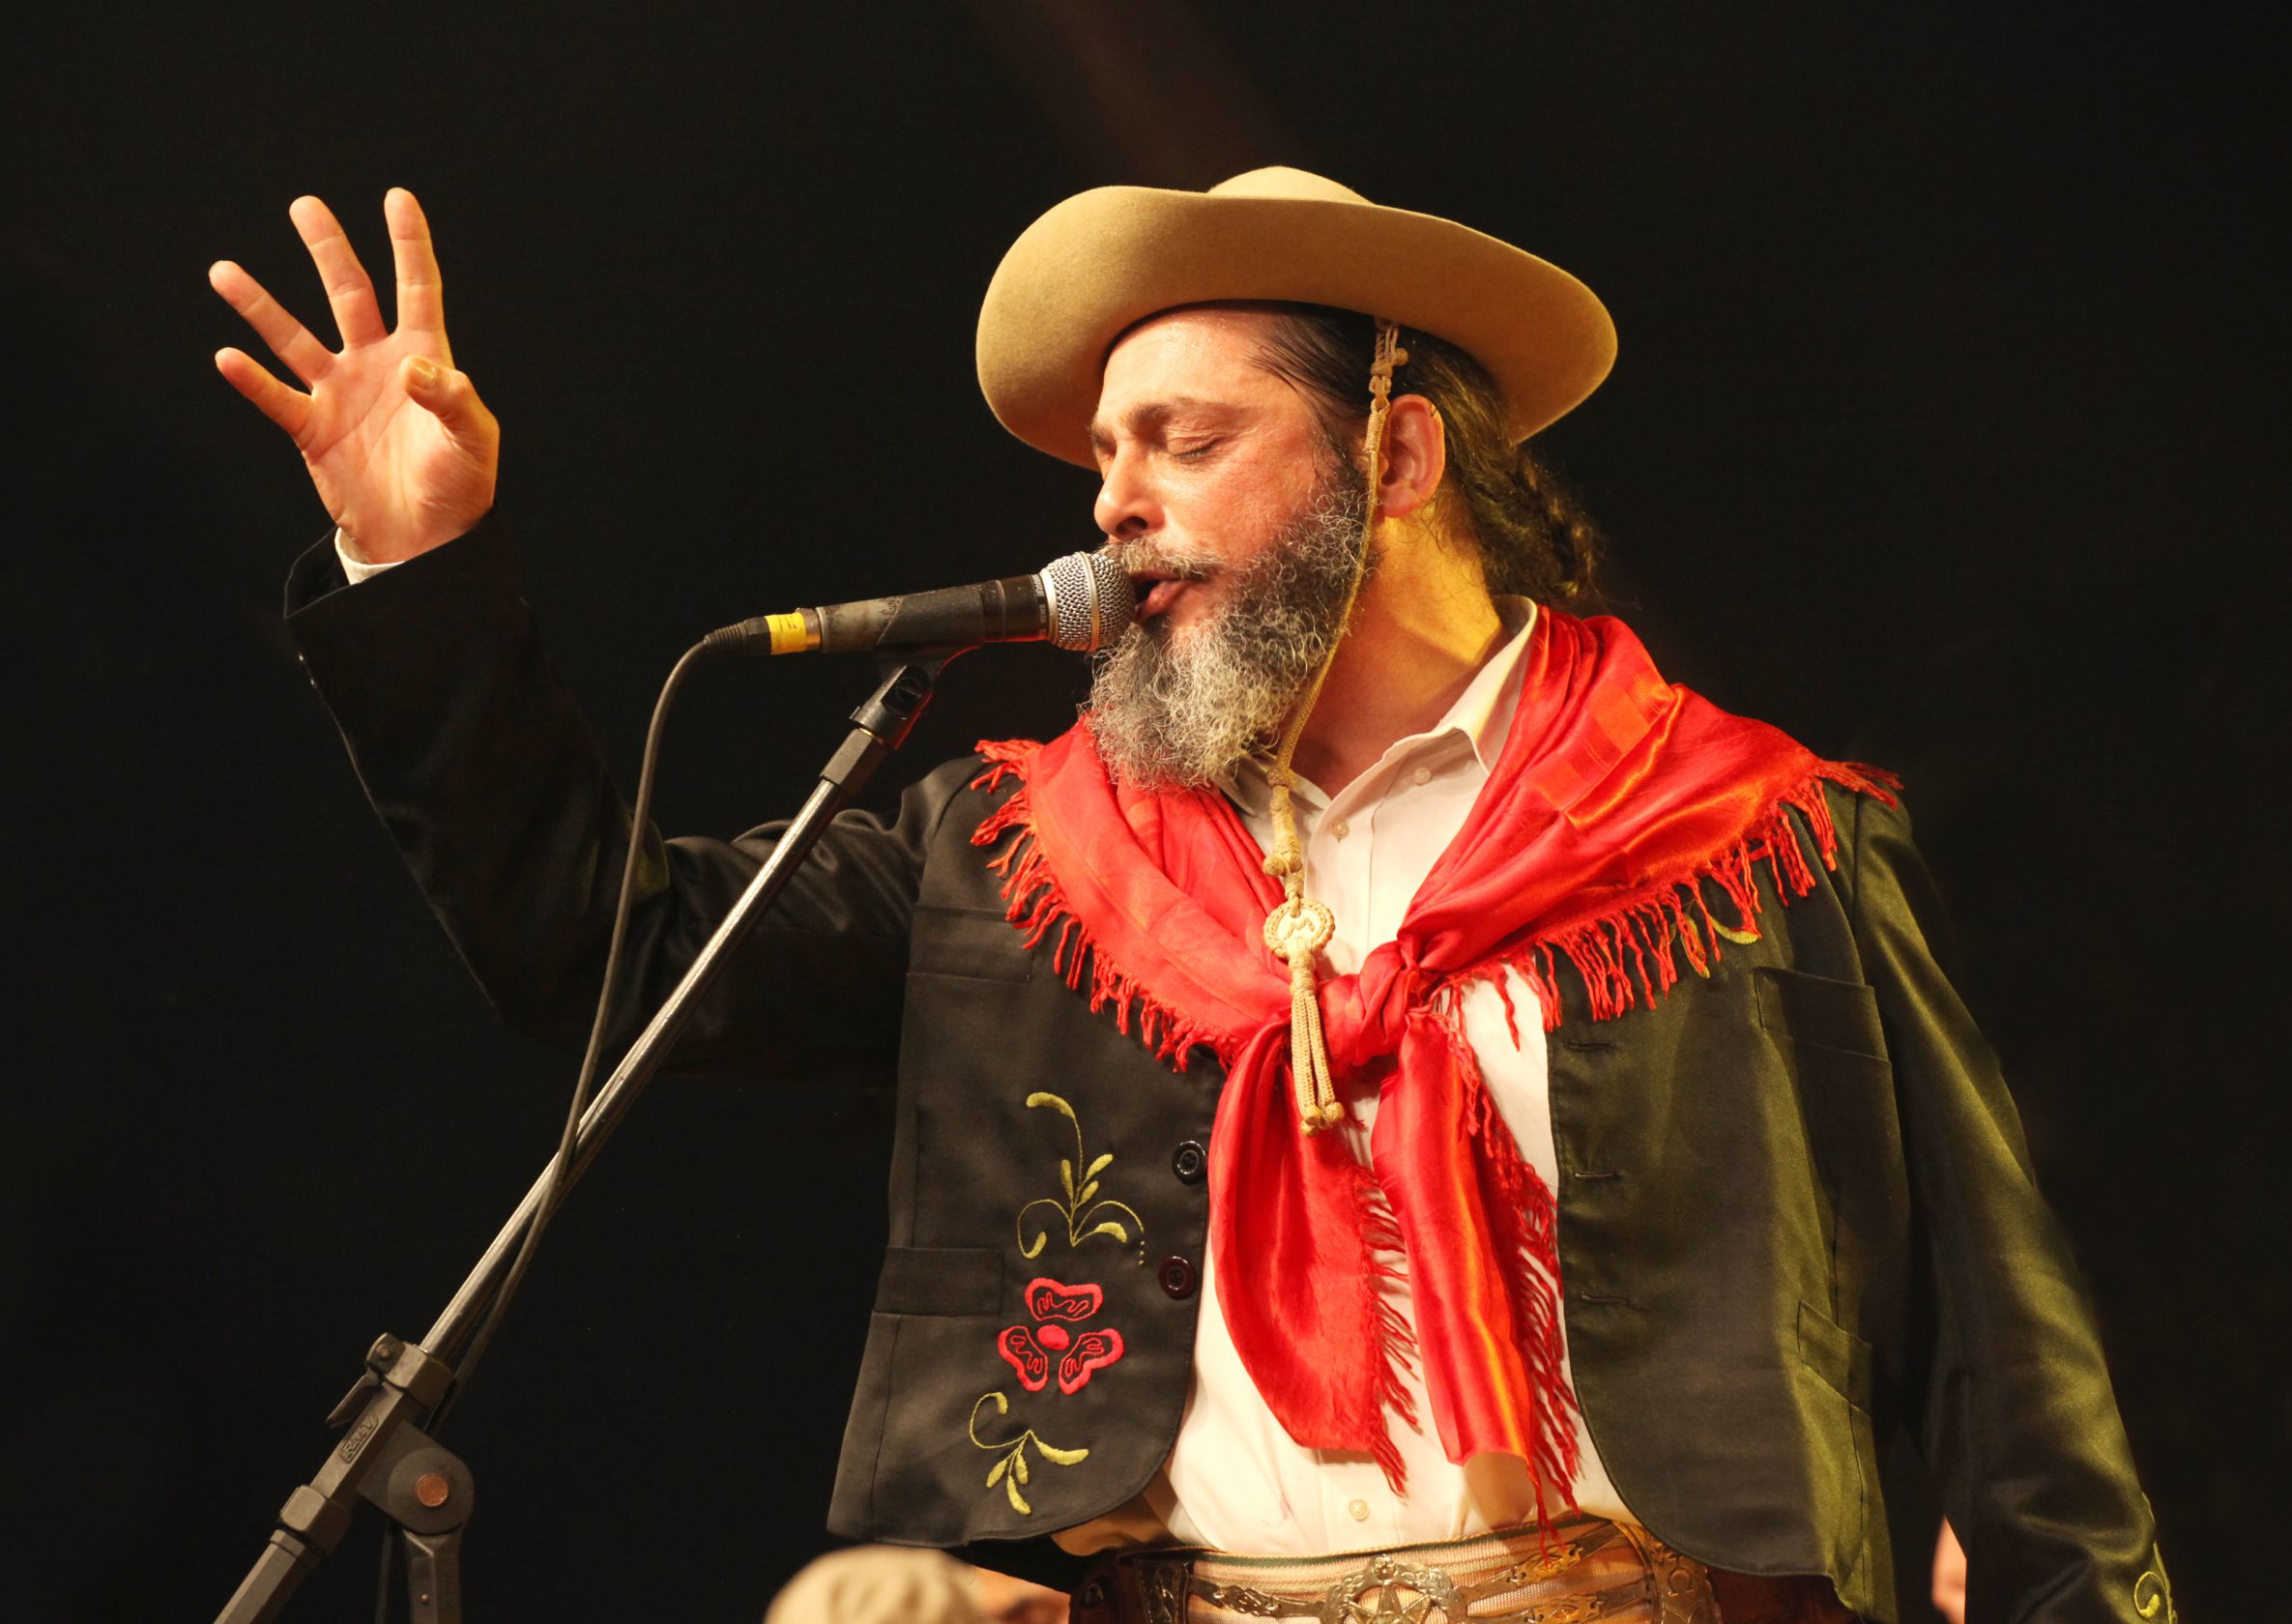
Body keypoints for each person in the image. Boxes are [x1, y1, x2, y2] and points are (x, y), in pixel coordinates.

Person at [211, 170, 2173, 1624]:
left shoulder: (1742, 838)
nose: (1111, 502)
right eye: (1102, 454)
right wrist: (421, 578)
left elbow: (2011, 1386)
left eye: (1187, 440)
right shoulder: (1031, 863)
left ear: (1396, 455)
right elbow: (602, 947)